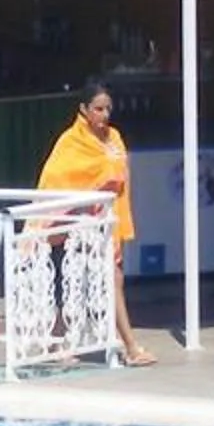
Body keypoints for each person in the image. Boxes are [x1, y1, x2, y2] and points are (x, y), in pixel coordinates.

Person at [34, 82, 153, 366]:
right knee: (107, 281)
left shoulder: (114, 138)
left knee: (98, 282)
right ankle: (131, 347)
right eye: (98, 109)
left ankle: (57, 341)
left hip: (108, 221)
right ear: (84, 110)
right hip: (79, 222)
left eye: (108, 108)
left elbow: (120, 171)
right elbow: (57, 177)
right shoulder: (71, 141)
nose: (104, 114)